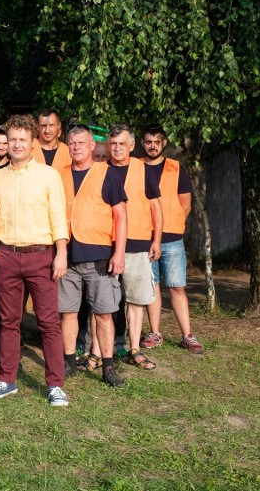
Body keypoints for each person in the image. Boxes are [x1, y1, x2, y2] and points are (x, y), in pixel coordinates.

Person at [0, 114, 70, 406]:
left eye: (22, 140)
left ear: (33, 142)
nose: (17, 145)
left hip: (42, 256)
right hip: (6, 256)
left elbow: (59, 218)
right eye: (12, 140)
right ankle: (7, 379)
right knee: (8, 322)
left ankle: (55, 384)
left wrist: (61, 254)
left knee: (48, 323)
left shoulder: (48, 175)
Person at [58, 126, 127, 387]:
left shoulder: (106, 174)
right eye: (72, 143)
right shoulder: (59, 176)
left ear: (91, 146)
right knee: (67, 312)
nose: (76, 147)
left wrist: (119, 253)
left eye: (81, 142)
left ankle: (108, 366)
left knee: (104, 314)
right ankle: (69, 362)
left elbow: (121, 216)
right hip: (67, 256)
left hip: (98, 256)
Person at [140, 124, 203, 354]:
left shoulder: (176, 168)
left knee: (177, 287)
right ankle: (155, 333)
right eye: (148, 141)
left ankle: (188, 335)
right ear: (142, 143)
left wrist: (172, 224)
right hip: (144, 239)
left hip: (172, 239)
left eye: (157, 142)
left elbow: (185, 204)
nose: (153, 146)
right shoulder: (136, 167)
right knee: (152, 286)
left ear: (164, 143)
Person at [107, 125, 163, 371]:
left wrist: (156, 240)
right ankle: (104, 349)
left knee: (136, 299)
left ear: (131, 146)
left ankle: (134, 349)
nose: (117, 148)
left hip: (138, 243)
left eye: (122, 144)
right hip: (105, 242)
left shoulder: (142, 169)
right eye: (113, 144)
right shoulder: (101, 170)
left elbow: (156, 207)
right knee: (105, 300)